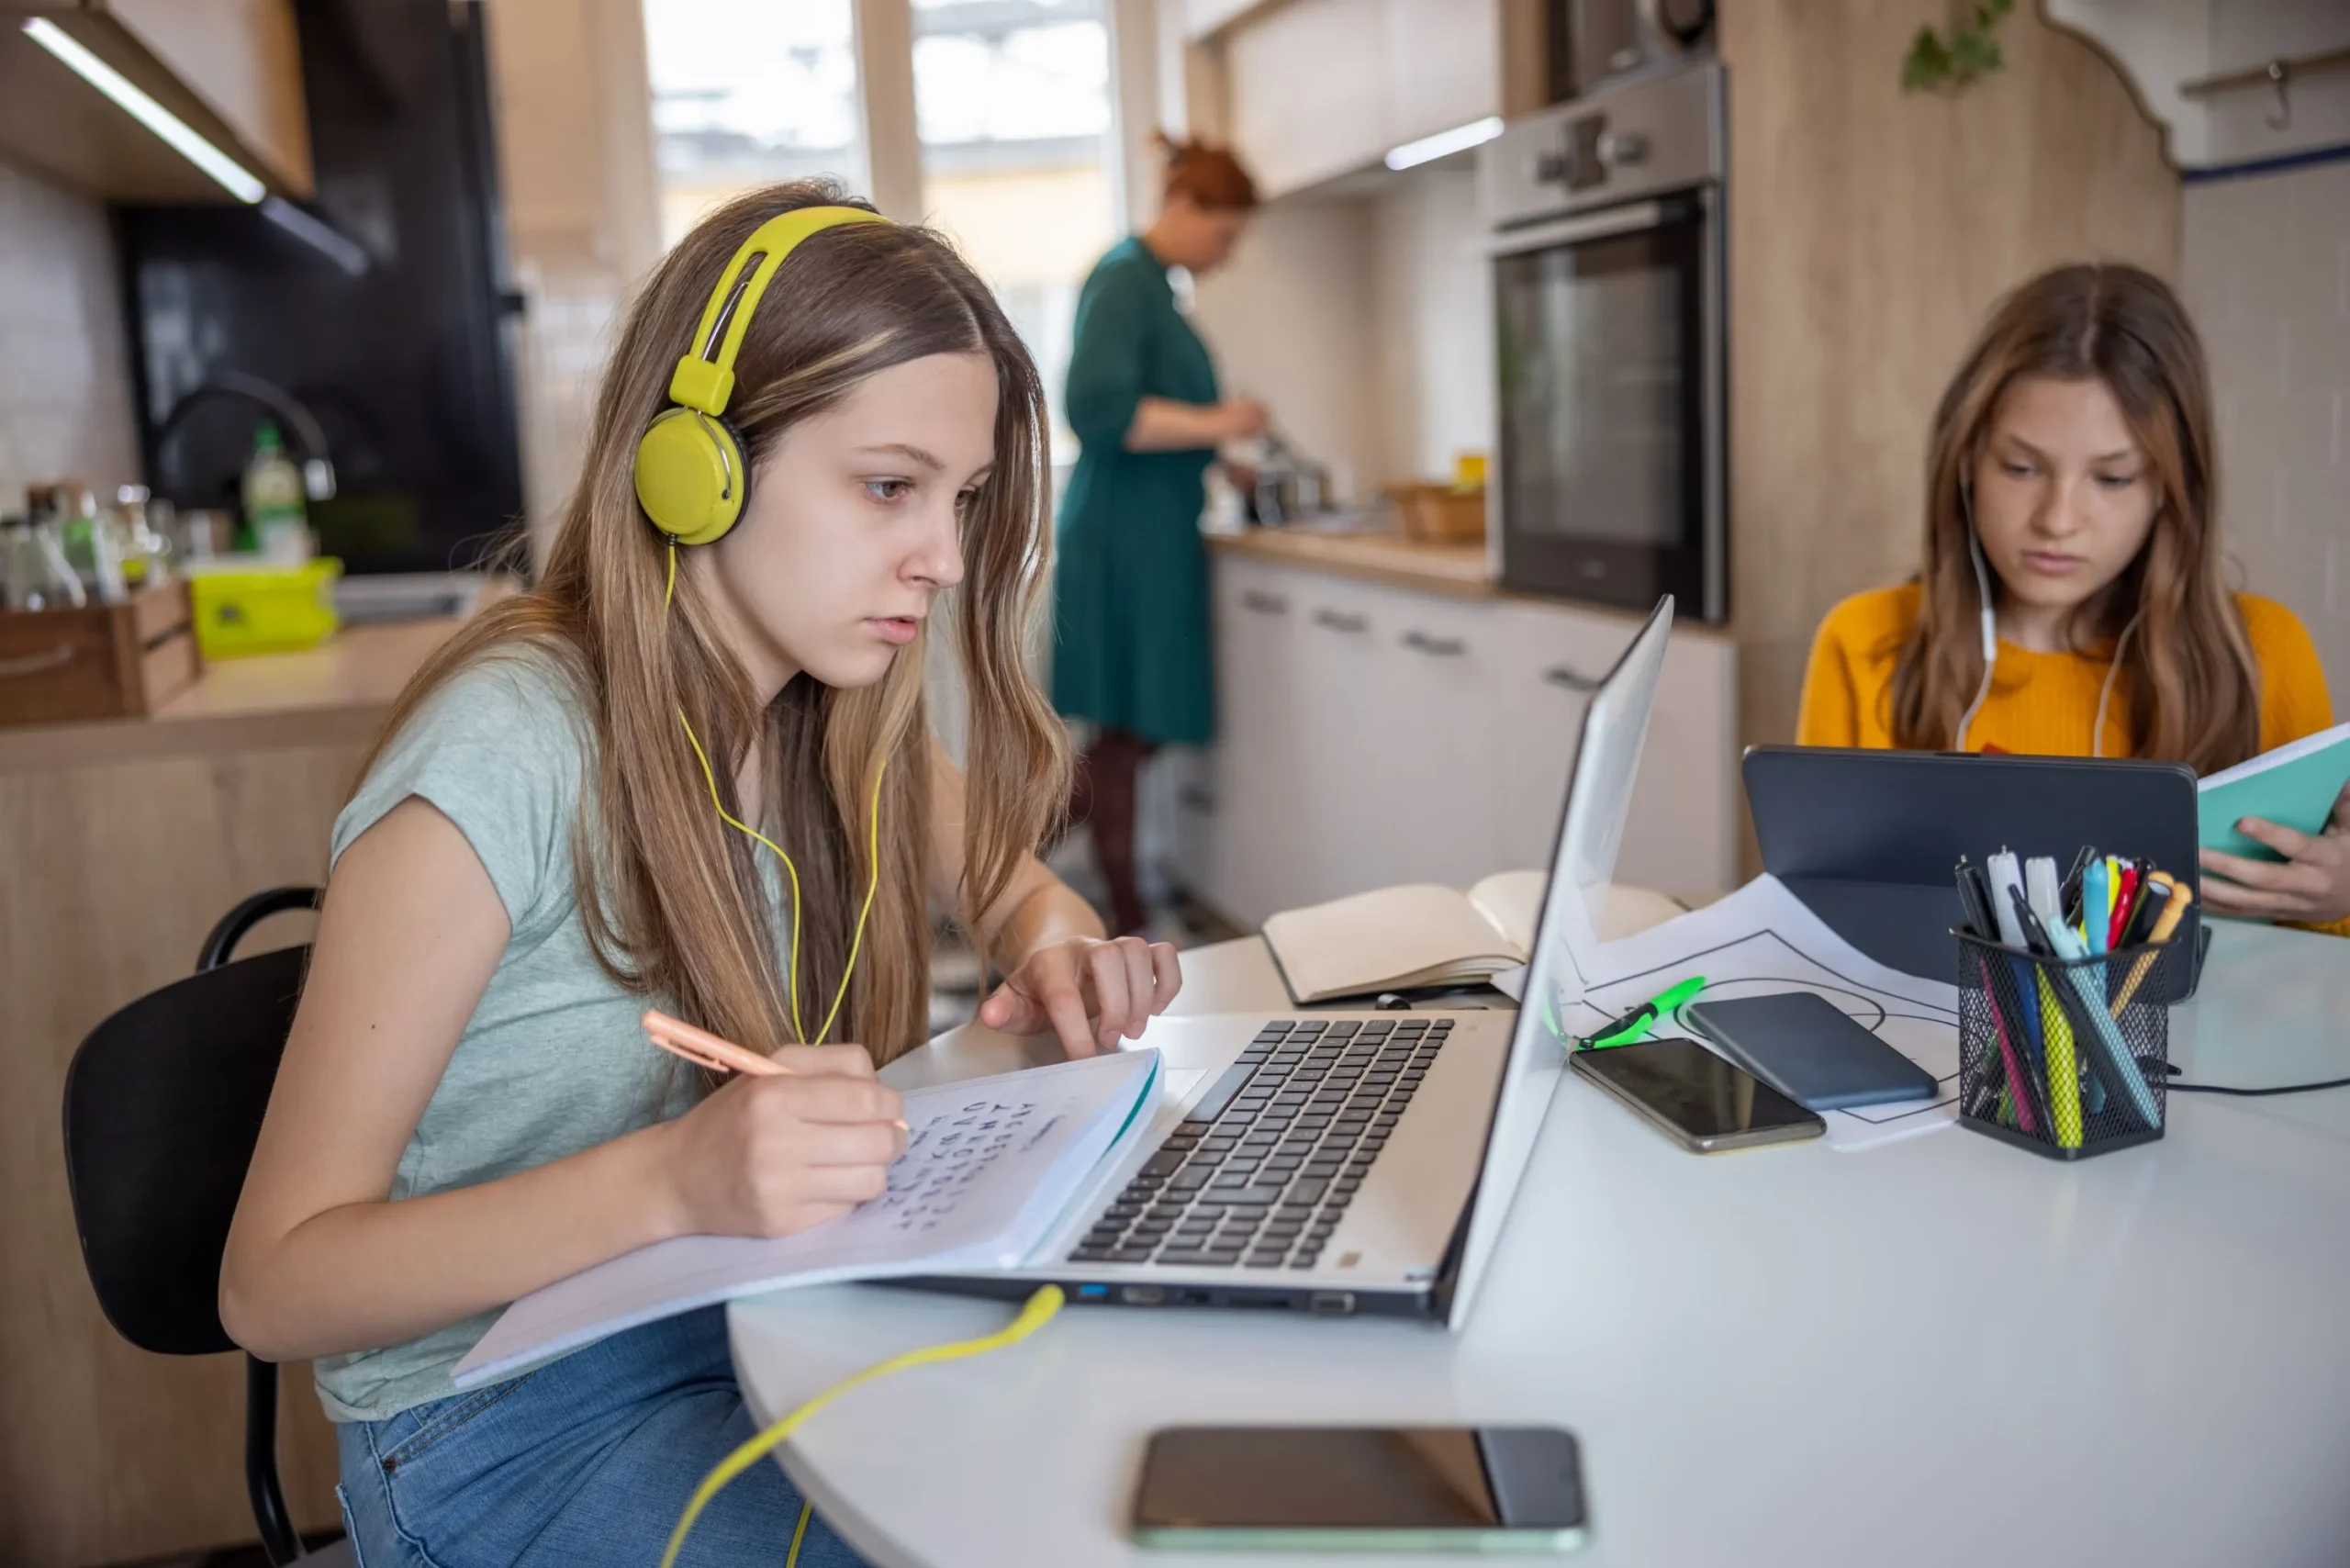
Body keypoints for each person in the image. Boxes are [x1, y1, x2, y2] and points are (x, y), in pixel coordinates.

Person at [219, 184, 1185, 1568]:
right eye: (888, 487)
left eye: (962, 499)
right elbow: (272, 1281)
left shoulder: (825, 704)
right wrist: (677, 1180)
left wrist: (1059, 938)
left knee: (1106, 1482)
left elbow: (1016, 885)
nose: (948, 561)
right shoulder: (509, 747)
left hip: (752, 1316)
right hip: (496, 1425)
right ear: (697, 466)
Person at [1798, 262, 2350, 932]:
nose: (2058, 519)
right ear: (1966, 460)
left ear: (2171, 490)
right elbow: (1810, 920)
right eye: (2022, 468)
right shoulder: (1867, 643)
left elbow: (2321, 973)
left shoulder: (2264, 654)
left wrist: (2338, 895)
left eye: (2113, 478)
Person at [1053, 133, 1268, 935]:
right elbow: (1102, 413)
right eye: (1225, 234)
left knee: (1128, 734)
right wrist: (1226, 420)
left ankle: (1008, 868)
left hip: (1150, 531)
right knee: (1123, 734)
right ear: (1183, 206)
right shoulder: (1121, 282)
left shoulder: (1152, 287)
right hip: (1123, 538)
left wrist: (1221, 455)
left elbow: (1155, 412)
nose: (1227, 252)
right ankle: (1115, 912)